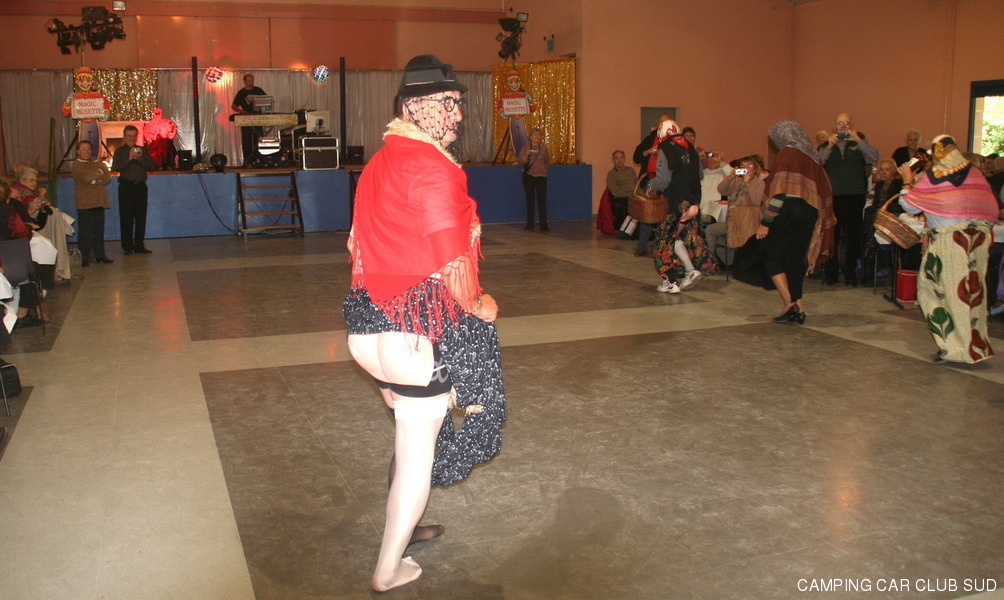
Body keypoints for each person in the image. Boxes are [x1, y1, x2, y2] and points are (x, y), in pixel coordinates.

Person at [341, 54, 506, 592]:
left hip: (369, 331)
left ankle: (406, 528)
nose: (457, 116)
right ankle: (389, 568)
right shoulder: (434, 168)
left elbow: (357, 248)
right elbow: (451, 260)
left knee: (411, 432)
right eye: (446, 104)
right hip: (413, 337)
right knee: (417, 455)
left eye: (458, 104)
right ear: (414, 106)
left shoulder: (378, 162)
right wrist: (481, 303)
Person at [897, 135, 998, 364]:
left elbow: (908, 205)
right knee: (973, 294)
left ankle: (954, 348)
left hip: (949, 242)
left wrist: (907, 181)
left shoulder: (935, 175)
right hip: (976, 241)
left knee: (938, 293)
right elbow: (990, 208)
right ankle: (977, 347)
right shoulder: (975, 173)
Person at [754, 120, 835, 324]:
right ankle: (799, 309)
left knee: (770, 255)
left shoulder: (786, 153)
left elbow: (779, 192)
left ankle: (790, 304)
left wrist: (766, 222)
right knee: (795, 260)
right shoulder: (812, 155)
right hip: (809, 211)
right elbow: (823, 187)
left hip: (787, 210)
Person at [648, 120, 714, 293]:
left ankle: (670, 281)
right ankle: (690, 270)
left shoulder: (665, 148)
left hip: (675, 202)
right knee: (675, 237)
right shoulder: (691, 147)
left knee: (663, 240)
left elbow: (663, 180)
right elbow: (700, 175)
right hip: (693, 202)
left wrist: (651, 185)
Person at [819, 112, 879, 286]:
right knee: (832, 236)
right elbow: (817, 162)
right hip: (833, 198)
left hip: (855, 196)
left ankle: (851, 274)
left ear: (851, 125)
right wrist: (830, 145)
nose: (843, 126)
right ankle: (831, 273)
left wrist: (859, 141)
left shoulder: (859, 144)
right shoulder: (826, 145)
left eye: (846, 123)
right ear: (834, 127)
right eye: (840, 123)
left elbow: (874, 157)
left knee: (853, 237)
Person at [707, 155, 766, 264]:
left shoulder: (758, 183)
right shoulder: (736, 181)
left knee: (730, 236)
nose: (745, 168)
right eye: (742, 166)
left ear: (755, 169)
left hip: (748, 223)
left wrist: (747, 183)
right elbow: (722, 190)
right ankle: (713, 262)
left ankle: (734, 261)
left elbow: (756, 201)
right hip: (732, 220)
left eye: (749, 165)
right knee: (710, 230)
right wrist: (730, 177)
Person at [111, 125, 157, 255]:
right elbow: (115, 167)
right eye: (129, 136)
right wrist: (129, 159)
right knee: (126, 217)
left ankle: (139, 245)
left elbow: (152, 166)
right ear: (124, 136)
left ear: (137, 137)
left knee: (141, 217)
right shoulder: (120, 151)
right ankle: (127, 247)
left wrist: (140, 159)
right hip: (126, 187)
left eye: (133, 136)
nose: (131, 138)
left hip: (140, 187)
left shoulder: (143, 150)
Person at [71, 140, 113, 266]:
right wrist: (98, 173)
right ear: (78, 151)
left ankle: (100, 255)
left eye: (88, 149)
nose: (86, 151)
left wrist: (95, 179)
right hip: (85, 203)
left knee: (98, 231)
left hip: (99, 201)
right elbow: (86, 178)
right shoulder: (76, 165)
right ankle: (84, 258)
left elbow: (107, 177)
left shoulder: (97, 161)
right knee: (85, 232)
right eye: (83, 149)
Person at [231, 74, 267, 167]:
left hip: (257, 117)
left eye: (252, 81)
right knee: (246, 140)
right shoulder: (241, 92)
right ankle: (247, 161)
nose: (251, 83)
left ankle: (259, 160)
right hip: (246, 118)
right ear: (245, 82)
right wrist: (241, 111)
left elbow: (267, 101)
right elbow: (234, 106)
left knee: (258, 138)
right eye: (249, 81)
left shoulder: (258, 90)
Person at [519, 127, 551, 231]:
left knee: (542, 201)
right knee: (530, 200)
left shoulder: (543, 148)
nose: (537, 137)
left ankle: (543, 224)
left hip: (541, 176)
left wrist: (542, 170)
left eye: (539, 135)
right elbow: (521, 162)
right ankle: (530, 224)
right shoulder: (525, 147)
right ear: (530, 136)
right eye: (535, 135)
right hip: (529, 176)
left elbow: (548, 161)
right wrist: (526, 155)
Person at [606, 150, 636, 232]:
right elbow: (615, 192)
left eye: (621, 157)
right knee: (631, 205)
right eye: (616, 158)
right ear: (613, 160)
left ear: (624, 158)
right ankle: (628, 231)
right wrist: (629, 196)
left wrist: (640, 194)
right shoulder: (611, 174)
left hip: (634, 195)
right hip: (621, 197)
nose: (619, 160)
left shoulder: (631, 170)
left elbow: (637, 184)